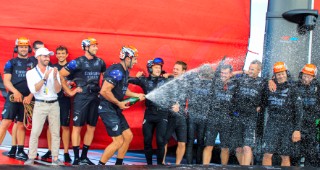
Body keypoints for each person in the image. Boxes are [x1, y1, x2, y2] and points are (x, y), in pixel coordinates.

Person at [59, 37, 106, 165]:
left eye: (96, 46)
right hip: (81, 97)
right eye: (93, 46)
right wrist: (69, 92)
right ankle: (76, 158)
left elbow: (105, 78)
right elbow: (61, 74)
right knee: (77, 127)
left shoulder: (101, 62)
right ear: (85, 47)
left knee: (91, 127)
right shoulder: (77, 62)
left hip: (95, 97)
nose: (96, 48)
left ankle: (84, 156)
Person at [98, 46, 145, 165]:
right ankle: (99, 166)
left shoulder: (125, 72)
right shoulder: (117, 71)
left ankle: (119, 164)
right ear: (127, 58)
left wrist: (137, 95)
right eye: (134, 59)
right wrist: (119, 103)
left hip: (115, 108)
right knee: (118, 141)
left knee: (128, 136)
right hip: (107, 108)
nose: (136, 62)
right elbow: (104, 91)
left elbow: (123, 90)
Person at [269, 63, 320, 167]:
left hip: (311, 126)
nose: (306, 79)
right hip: (296, 126)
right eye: (304, 76)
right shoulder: (294, 85)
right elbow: (280, 80)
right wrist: (270, 81)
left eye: (309, 77)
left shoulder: (318, 88)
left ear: (314, 77)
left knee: (311, 155)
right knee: (294, 155)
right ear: (301, 75)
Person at [24, 47, 63, 165]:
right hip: (40, 103)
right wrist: (45, 77)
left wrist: (55, 78)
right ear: (38, 57)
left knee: (55, 131)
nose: (47, 58)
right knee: (35, 131)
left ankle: (55, 158)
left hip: (54, 103)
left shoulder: (53, 70)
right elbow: (34, 89)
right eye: (45, 56)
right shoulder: (30, 73)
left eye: (48, 56)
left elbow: (57, 90)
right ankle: (31, 156)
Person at [128, 57, 169, 165]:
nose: (158, 69)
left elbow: (179, 81)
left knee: (160, 141)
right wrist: (135, 77)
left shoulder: (165, 80)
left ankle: (160, 165)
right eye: (156, 67)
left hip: (162, 114)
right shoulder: (144, 80)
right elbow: (127, 79)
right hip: (149, 114)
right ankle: (149, 165)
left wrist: (169, 75)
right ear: (150, 69)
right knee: (147, 141)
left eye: (160, 67)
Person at [262, 61, 303, 166]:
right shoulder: (269, 86)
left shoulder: (293, 88)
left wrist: (297, 130)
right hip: (272, 124)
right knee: (267, 154)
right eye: (278, 74)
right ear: (275, 75)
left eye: (282, 74)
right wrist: (268, 81)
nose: (281, 76)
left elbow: (299, 111)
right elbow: (258, 82)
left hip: (287, 125)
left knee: (285, 155)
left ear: (286, 73)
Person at [0, 37, 33, 160]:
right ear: (16, 48)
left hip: (27, 99)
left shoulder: (33, 62)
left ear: (28, 48)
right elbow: (7, 81)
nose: (23, 49)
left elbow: (37, 81)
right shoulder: (11, 63)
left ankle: (20, 150)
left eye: (25, 47)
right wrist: (16, 92)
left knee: (21, 124)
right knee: (5, 123)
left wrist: (30, 96)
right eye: (21, 47)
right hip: (13, 97)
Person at [41, 46, 72, 163]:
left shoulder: (71, 68)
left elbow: (75, 82)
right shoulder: (51, 67)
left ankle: (66, 152)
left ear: (67, 54)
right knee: (50, 126)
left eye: (63, 53)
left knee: (65, 126)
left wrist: (71, 86)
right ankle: (50, 150)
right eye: (58, 53)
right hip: (53, 99)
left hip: (65, 100)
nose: (60, 55)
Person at [232, 60, 267, 165]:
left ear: (259, 70)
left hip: (251, 118)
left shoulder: (263, 82)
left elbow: (266, 98)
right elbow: (231, 75)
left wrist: (261, 106)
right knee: (238, 149)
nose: (250, 71)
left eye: (253, 69)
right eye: (249, 68)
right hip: (238, 116)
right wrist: (243, 71)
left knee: (247, 147)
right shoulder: (242, 78)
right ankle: (245, 166)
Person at [203, 64, 236, 165]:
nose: (223, 75)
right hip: (213, 117)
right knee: (209, 145)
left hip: (227, 118)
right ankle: (205, 167)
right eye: (222, 73)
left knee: (225, 147)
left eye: (226, 73)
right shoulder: (214, 82)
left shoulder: (235, 84)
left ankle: (223, 167)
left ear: (231, 74)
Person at [185, 64, 213, 165]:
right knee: (195, 141)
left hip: (200, 115)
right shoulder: (195, 81)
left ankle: (194, 163)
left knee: (195, 141)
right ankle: (192, 164)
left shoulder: (210, 83)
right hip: (197, 115)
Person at [163, 61, 188, 165]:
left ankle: (177, 165)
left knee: (182, 143)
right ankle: (162, 162)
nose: (174, 70)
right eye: (174, 68)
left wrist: (180, 109)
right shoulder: (168, 80)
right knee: (164, 141)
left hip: (181, 117)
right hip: (169, 116)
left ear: (184, 71)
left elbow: (190, 103)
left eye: (177, 69)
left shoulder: (187, 83)